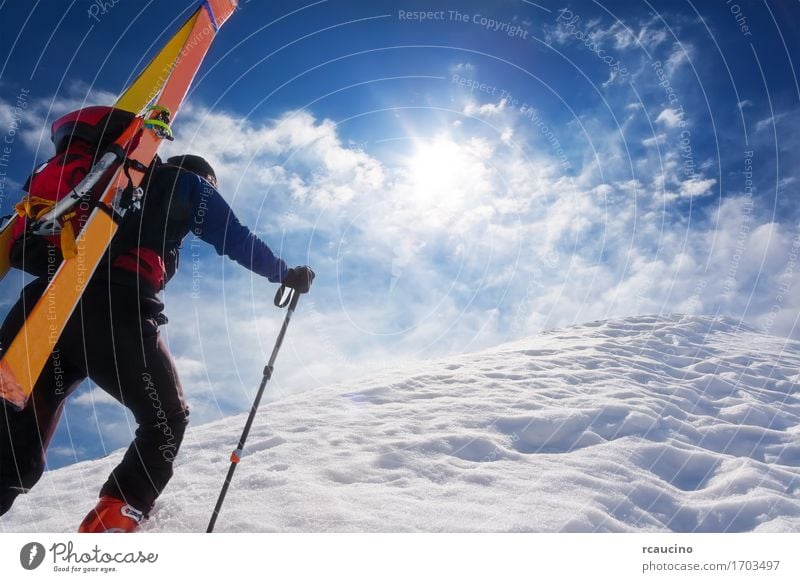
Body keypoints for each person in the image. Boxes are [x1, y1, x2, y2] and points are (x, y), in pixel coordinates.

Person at [0, 154, 314, 532]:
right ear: (204, 178)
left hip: (40, 307)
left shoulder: (98, 188)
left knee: (15, 452)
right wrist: (284, 273)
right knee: (166, 418)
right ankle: (111, 526)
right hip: (113, 310)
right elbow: (233, 235)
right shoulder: (184, 183)